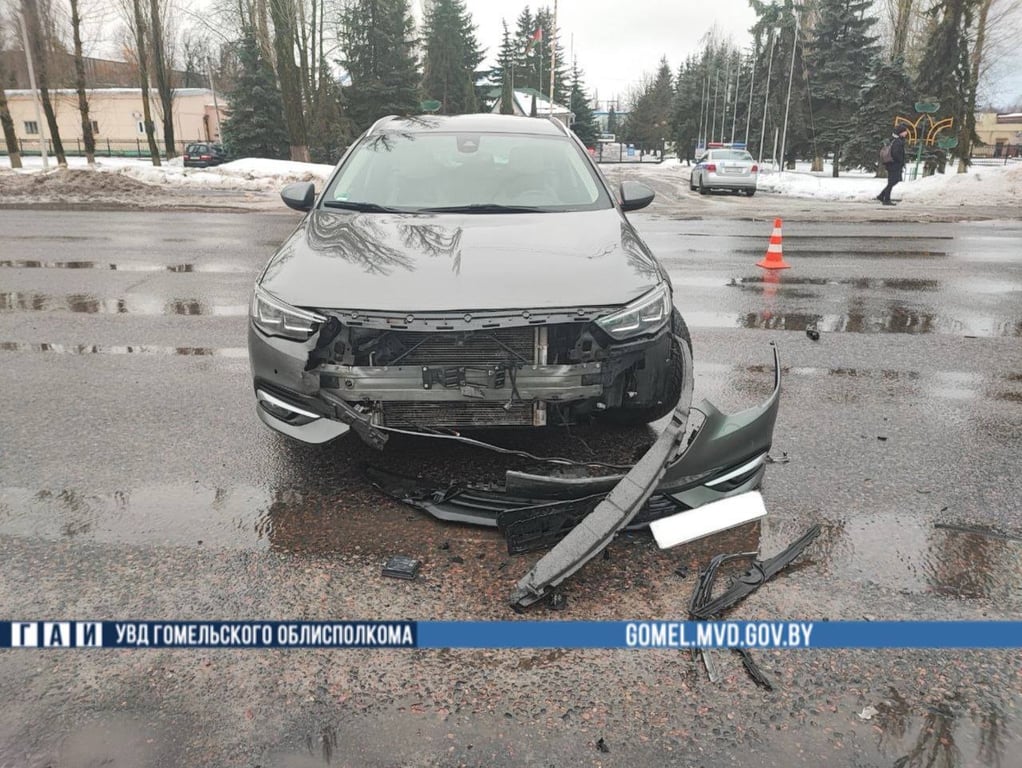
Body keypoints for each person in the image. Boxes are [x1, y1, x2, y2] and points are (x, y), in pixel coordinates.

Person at [877, 124, 909, 206]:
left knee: (894, 181)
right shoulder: (898, 142)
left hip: (892, 164)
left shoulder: (895, 140)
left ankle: (881, 196)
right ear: (901, 132)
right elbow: (896, 153)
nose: (906, 133)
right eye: (905, 131)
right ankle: (886, 199)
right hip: (894, 164)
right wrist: (901, 161)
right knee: (892, 182)